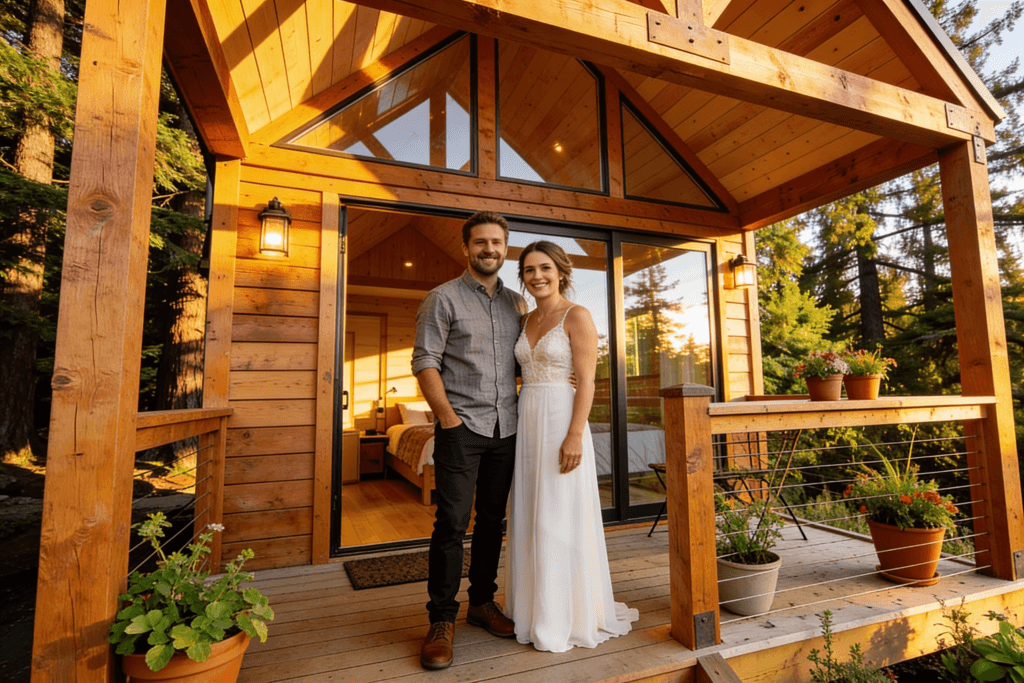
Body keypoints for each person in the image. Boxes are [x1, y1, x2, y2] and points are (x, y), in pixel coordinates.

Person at [504, 240, 639, 652]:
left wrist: (576, 434)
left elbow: (589, 380)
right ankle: (531, 607)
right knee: (530, 511)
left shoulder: (577, 315)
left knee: (557, 514)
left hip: (562, 418)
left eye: (544, 268)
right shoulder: (524, 320)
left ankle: (563, 614)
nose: (537, 276)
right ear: (523, 278)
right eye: (529, 270)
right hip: (528, 418)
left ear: (561, 272)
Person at [411, 211, 527, 670]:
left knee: (493, 521)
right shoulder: (441, 299)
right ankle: (441, 620)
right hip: (463, 428)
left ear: (505, 248)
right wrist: (448, 420)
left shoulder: (518, 304)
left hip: (509, 429)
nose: (489, 249)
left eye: (497, 242)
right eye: (480, 242)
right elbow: (425, 361)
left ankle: (481, 603)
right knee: (452, 524)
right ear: (466, 248)